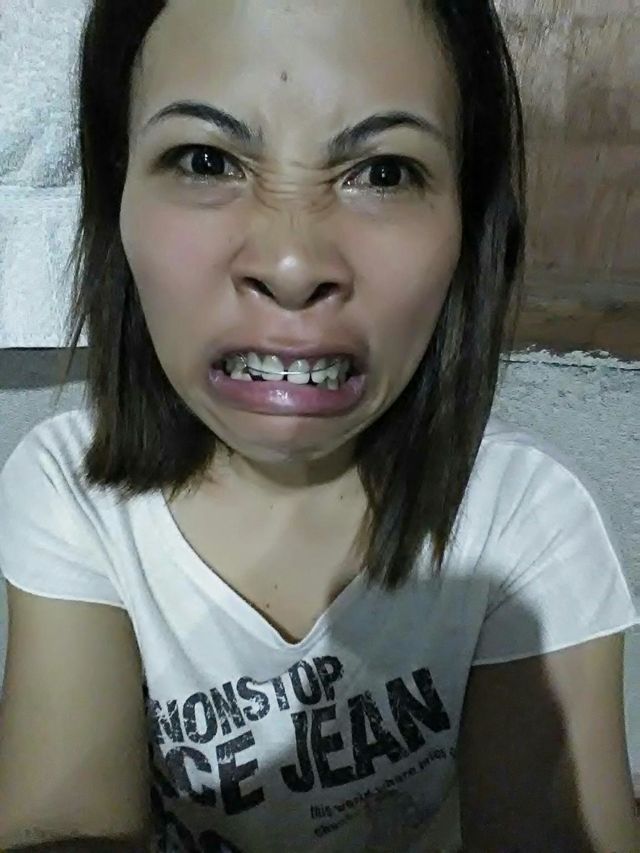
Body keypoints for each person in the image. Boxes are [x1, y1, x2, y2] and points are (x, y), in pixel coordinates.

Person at [0, 0, 638, 850]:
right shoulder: (71, 487)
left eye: (384, 173)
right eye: (205, 160)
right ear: (115, 197)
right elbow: (65, 816)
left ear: (468, 226)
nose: (293, 264)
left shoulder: (523, 520)